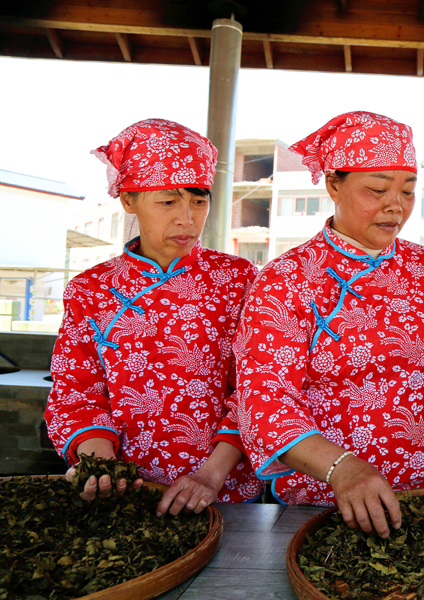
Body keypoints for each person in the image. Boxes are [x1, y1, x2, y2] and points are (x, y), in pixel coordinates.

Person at [232, 111, 424, 538]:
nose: (396, 206)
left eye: (408, 191)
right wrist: (341, 468)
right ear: (333, 184)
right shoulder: (287, 279)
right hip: (324, 500)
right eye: (376, 189)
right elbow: (265, 403)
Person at [46, 118, 265, 515]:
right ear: (128, 200)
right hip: (126, 495)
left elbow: (258, 389)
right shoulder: (91, 290)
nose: (187, 218)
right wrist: (101, 466)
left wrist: (211, 475)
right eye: (168, 202)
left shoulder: (239, 280)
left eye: (199, 200)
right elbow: (76, 391)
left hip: (225, 493)